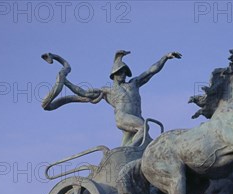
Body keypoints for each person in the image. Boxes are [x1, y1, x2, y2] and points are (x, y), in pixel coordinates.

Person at [42, 50, 182, 146]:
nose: (122, 75)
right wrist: (64, 81)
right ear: (114, 74)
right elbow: (83, 93)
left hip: (135, 117)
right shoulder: (107, 90)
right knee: (143, 128)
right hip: (123, 117)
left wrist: (165, 57)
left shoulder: (134, 83)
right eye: (119, 72)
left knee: (145, 143)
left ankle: (126, 155)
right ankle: (130, 152)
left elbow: (151, 71)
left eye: (124, 72)